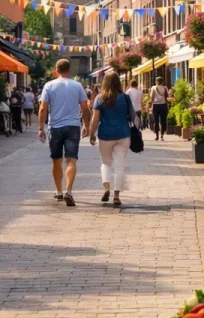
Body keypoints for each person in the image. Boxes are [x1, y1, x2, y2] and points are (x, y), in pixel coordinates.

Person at [38, 59, 91, 207]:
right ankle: (69, 191)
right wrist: (86, 125)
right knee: (71, 160)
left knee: (56, 160)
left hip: (55, 127)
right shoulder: (77, 86)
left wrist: (41, 128)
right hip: (73, 126)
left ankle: (59, 191)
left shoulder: (49, 85)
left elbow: (43, 108)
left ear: (56, 70)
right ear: (69, 70)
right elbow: (85, 108)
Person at [88, 72, 134, 207]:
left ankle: (106, 188)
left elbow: (95, 119)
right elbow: (132, 116)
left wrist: (91, 133)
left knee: (106, 163)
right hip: (123, 134)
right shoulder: (125, 98)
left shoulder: (100, 98)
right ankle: (116, 196)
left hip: (105, 135)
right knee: (120, 166)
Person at [150, 77, 169, 141]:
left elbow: (151, 97)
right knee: (163, 121)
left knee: (156, 121)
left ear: (156, 81)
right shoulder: (165, 88)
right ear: (162, 82)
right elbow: (167, 96)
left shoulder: (153, 88)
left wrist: (151, 105)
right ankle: (162, 135)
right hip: (163, 105)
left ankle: (157, 135)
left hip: (155, 105)